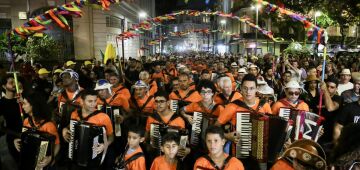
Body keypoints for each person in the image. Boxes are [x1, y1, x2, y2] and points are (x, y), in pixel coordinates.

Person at [62, 90, 114, 170]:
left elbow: (111, 137)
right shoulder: (75, 114)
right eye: (90, 101)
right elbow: (70, 126)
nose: (93, 104)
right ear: (82, 101)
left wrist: (105, 145)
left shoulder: (103, 117)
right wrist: (64, 130)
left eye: (95, 101)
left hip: (94, 157)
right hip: (75, 155)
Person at [14, 93, 60, 169]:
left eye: (25, 104)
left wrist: (51, 157)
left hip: (42, 162)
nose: (22, 106)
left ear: (33, 105)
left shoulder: (49, 125)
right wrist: (16, 141)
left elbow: (57, 144)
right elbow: (24, 138)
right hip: (28, 160)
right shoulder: (26, 121)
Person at [0, 75, 24, 170]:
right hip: (11, 138)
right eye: (11, 82)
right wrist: (17, 134)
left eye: (15, 82)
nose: (14, 84)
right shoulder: (1, 104)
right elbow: (1, 127)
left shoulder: (21, 100)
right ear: (4, 86)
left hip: (26, 135)